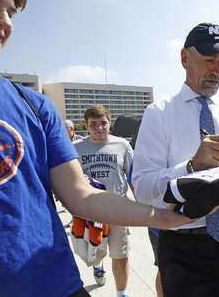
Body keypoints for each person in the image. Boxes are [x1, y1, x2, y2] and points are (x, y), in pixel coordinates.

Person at [0, 0, 191, 296]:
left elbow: (80, 195)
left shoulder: (35, 106)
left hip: (60, 287)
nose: (4, 21)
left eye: (10, 11)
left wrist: (163, 217)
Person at [132, 22, 219, 296]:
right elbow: (142, 190)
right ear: (185, 58)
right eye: (209, 59)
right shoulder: (158, 113)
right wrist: (191, 167)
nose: (217, 70)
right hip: (183, 246)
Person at [73, 105, 134, 297]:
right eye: (93, 124)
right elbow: (71, 180)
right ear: (87, 125)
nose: (99, 127)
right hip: (91, 211)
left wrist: (142, 203)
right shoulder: (76, 148)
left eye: (103, 123)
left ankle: (121, 293)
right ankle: (98, 266)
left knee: (120, 254)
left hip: (118, 211)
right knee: (94, 252)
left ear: (110, 124)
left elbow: (133, 177)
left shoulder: (122, 146)